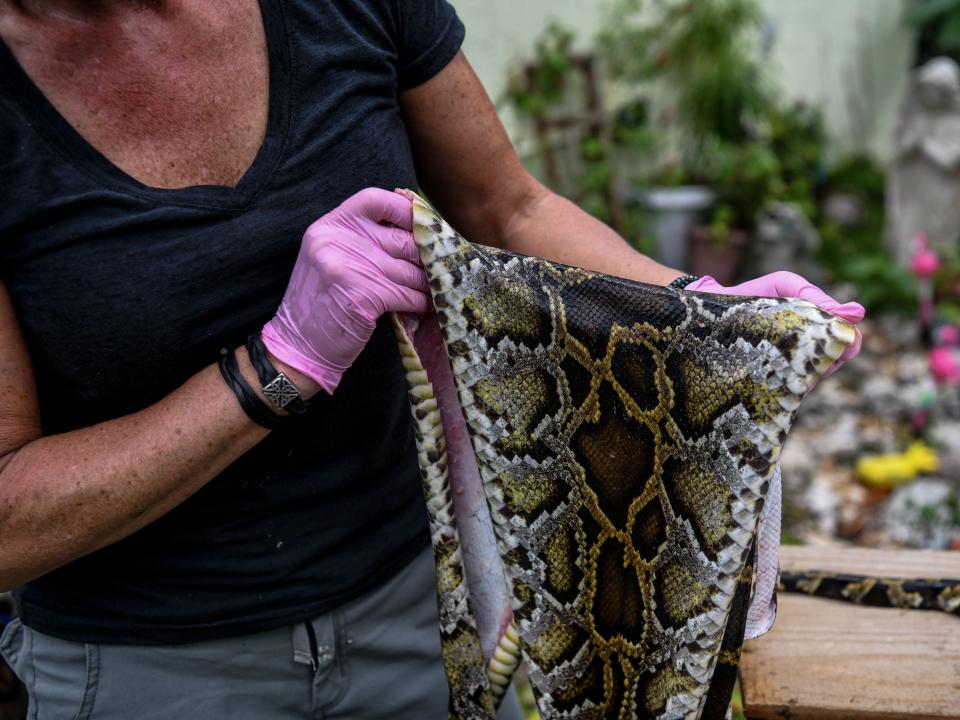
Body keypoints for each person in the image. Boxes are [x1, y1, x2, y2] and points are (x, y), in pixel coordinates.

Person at [0, 1, 864, 718]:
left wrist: (706, 312)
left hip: (412, 626)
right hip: (143, 673)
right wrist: (278, 364)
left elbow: (508, 206)